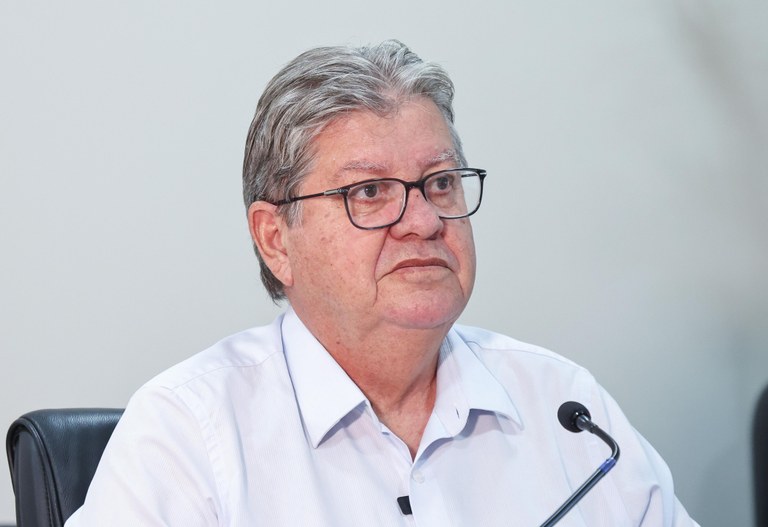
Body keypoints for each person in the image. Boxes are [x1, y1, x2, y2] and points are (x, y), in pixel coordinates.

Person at [65, 40, 699, 526]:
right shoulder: (190, 433)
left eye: (441, 183)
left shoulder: (563, 408)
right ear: (276, 239)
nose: (423, 220)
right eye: (369, 192)